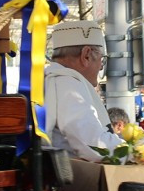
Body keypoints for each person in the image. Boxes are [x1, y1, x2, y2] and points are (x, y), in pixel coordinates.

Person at [43, 21, 122, 162]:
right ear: (86, 55)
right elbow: (95, 146)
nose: (100, 67)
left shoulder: (51, 78)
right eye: (101, 60)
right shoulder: (67, 83)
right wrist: (138, 149)